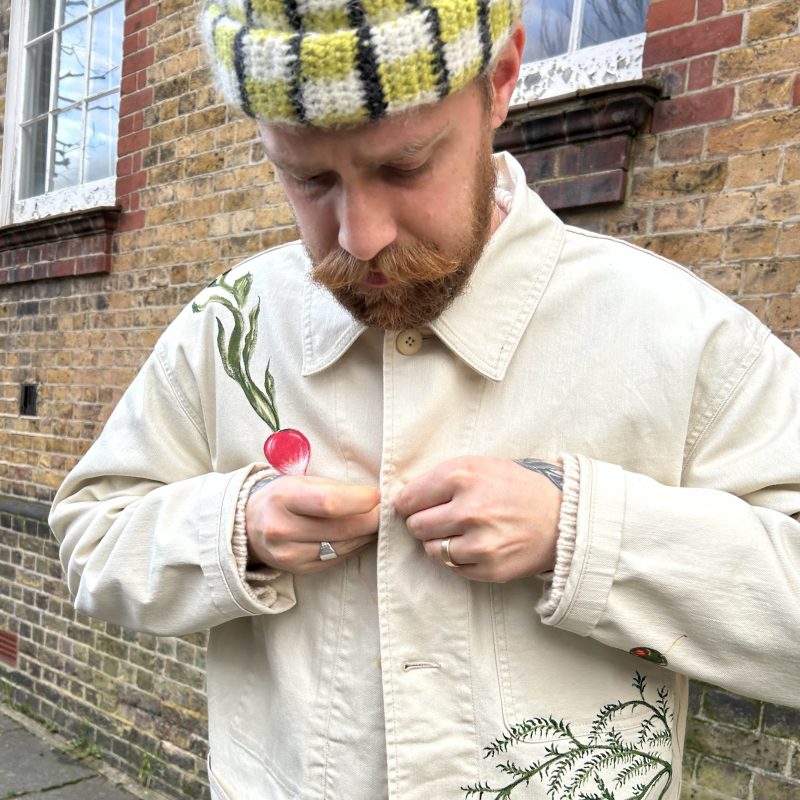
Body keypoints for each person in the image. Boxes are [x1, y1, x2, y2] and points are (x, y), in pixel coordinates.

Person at [50, 0, 800, 798]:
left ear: (503, 81)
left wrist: (582, 532)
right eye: (308, 180)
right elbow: (91, 537)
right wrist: (234, 529)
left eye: (405, 167)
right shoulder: (227, 327)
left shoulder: (679, 333)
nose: (359, 235)